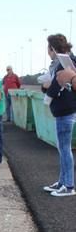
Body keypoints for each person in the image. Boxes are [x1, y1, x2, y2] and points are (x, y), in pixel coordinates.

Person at [41, 34, 76, 198]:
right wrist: (46, 87)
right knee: (63, 149)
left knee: (64, 149)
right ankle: (62, 181)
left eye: (48, 48)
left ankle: (68, 186)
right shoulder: (65, 60)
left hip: (65, 111)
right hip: (64, 110)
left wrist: (47, 95)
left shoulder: (64, 63)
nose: (48, 52)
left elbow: (57, 84)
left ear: (52, 48)